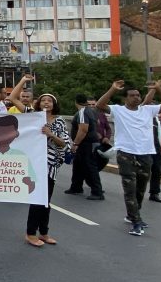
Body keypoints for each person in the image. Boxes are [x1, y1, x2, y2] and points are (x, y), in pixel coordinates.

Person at [96, 79, 161, 237]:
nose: (136, 97)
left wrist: (159, 89)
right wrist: (112, 89)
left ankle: (133, 214)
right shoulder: (118, 110)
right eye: (132, 95)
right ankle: (136, 221)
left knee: (141, 189)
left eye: (138, 95)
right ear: (125, 98)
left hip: (146, 154)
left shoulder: (148, 110)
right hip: (126, 153)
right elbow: (100, 105)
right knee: (130, 189)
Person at [23, 93, 69, 248]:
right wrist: (23, 80)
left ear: (54, 104)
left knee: (46, 201)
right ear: (38, 103)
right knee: (37, 199)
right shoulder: (32, 117)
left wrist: (50, 135)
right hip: (35, 164)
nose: (46, 103)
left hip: (50, 165)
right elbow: (14, 98)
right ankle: (30, 233)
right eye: (43, 100)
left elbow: (64, 144)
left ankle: (43, 232)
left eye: (50, 101)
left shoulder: (60, 121)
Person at [64, 94, 105, 200]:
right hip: (87, 143)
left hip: (86, 143)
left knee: (90, 167)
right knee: (78, 165)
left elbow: (83, 129)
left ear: (75, 102)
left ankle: (97, 192)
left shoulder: (82, 112)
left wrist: (75, 144)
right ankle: (76, 187)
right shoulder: (91, 111)